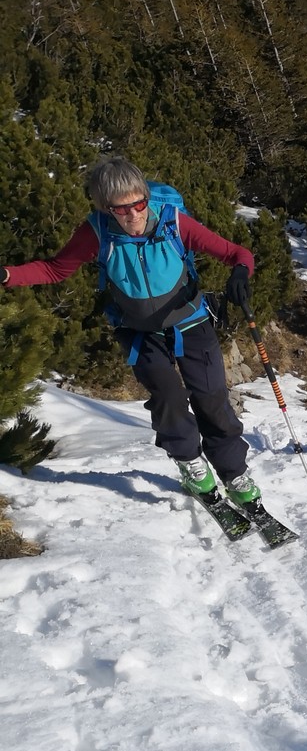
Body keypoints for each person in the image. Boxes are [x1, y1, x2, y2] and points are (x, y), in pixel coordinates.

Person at [1, 156, 261, 509]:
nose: (134, 215)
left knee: (212, 399)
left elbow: (236, 253)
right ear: (106, 208)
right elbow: (54, 269)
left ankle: (234, 473)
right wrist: (7, 275)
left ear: (146, 198)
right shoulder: (97, 232)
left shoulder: (172, 222)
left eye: (139, 204)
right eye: (121, 210)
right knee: (168, 398)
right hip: (140, 332)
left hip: (190, 323)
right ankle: (190, 463)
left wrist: (241, 272)